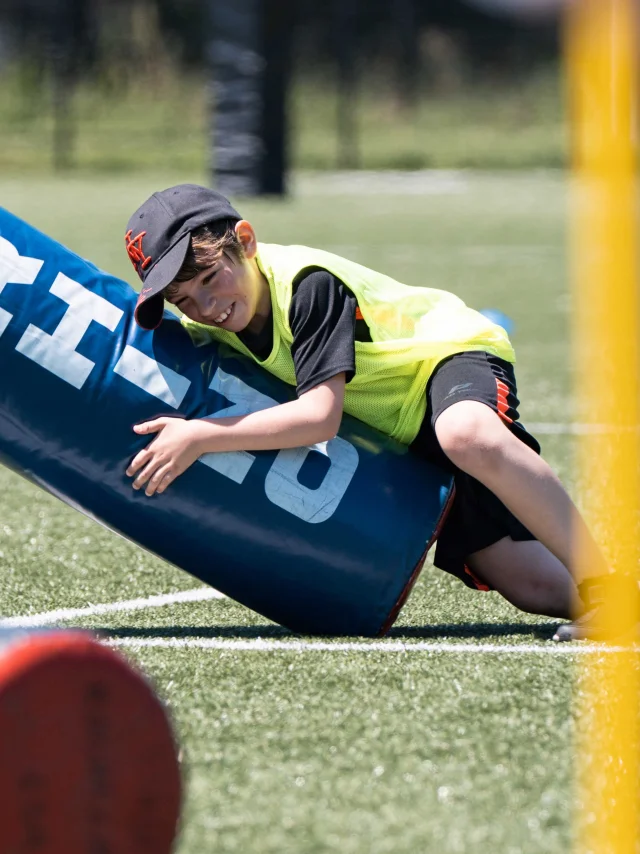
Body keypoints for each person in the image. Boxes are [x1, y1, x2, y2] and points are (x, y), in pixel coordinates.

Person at [122, 184, 618, 641]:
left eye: (210, 277)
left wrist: (200, 435)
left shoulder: (306, 286)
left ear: (246, 241)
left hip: (442, 360)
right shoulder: (216, 319)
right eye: (183, 299)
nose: (206, 306)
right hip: (402, 430)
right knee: (529, 586)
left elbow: (319, 418)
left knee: (467, 433)